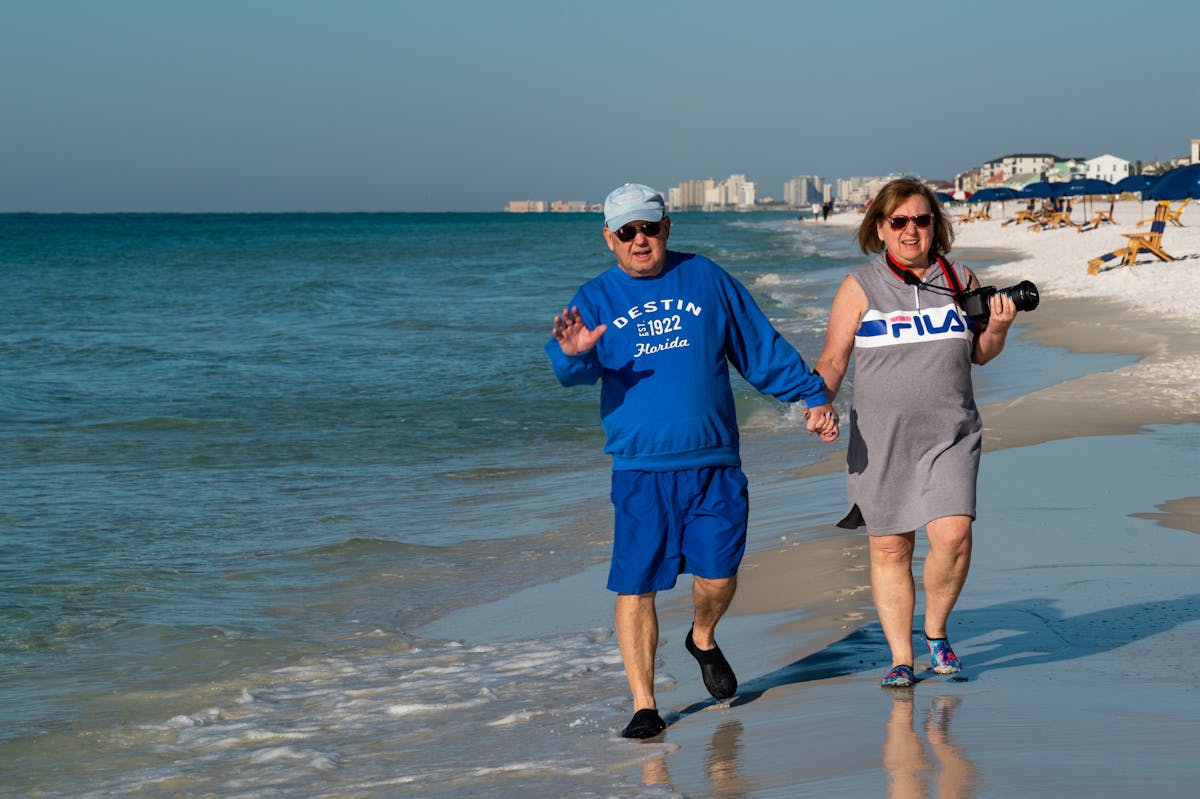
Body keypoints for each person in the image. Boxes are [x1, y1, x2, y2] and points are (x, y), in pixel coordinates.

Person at [546, 182, 839, 737]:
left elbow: (759, 347)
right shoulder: (594, 298)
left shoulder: (706, 278)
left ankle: (702, 636)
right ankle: (644, 705)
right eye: (627, 231)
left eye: (648, 228)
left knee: (719, 577)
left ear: (667, 228)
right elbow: (572, 370)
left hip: (715, 465)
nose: (640, 240)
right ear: (608, 237)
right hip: (640, 471)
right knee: (635, 586)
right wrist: (572, 357)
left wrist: (811, 393)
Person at [813, 177, 1016, 688]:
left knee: (953, 534)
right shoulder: (859, 287)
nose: (910, 230)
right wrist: (820, 402)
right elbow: (834, 359)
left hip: (951, 434)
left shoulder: (957, 276)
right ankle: (902, 658)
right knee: (891, 548)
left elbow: (978, 352)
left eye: (921, 220)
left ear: (935, 225)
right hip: (881, 440)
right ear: (880, 227)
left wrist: (999, 326)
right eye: (898, 221)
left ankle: (936, 632)